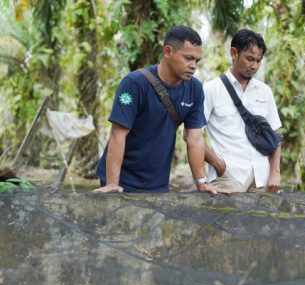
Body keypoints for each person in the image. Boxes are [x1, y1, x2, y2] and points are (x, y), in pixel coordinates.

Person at [95, 25, 229, 194]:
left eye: (197, 60)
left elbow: (194, 139)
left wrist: (201, 182)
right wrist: (112, 184)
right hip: (123, 180)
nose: (193, 65)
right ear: (167, 52)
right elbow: (117, 134)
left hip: (158, 183)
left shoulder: (194, 89)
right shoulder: (134, 83)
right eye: (188, 58)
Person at [203, 29, 282, 193]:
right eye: (249, 59)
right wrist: (216, 163)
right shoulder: (211, 90)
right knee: (222, 219)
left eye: (258, 61)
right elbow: (191, 136)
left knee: (264, 219)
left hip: (262, 177)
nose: (254, 66)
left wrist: (275, 172)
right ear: (234, 53)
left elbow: (274, 135)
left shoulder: (265, 91)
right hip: (228, 176)